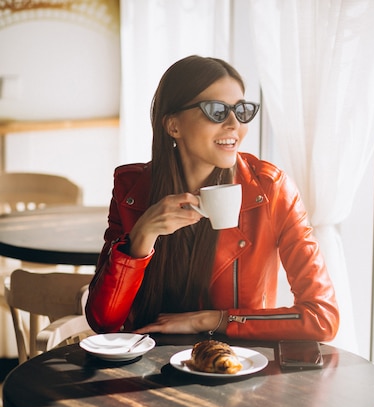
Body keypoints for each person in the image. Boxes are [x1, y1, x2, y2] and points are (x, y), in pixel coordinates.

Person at [85, 55, 339, 341]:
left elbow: (322, 317)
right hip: (146, 367)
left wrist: (210, 320)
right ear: (173, 126)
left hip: (237, 366)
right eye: (217, 111)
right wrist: (142, 237)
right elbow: (103, 322)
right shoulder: (131, 190)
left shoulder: (270, 190)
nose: (234, 124)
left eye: (241, 110)